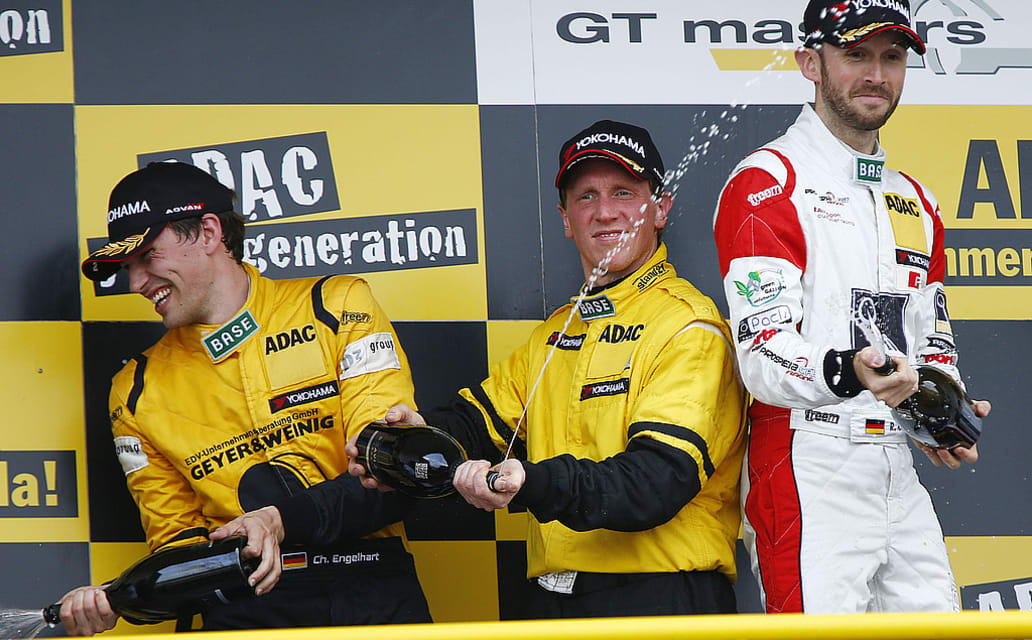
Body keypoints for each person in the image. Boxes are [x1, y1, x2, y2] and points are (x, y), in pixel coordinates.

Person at [352, 120, 748, 617]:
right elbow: (477, 424)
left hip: (660, 597)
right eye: (586, 197)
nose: (605, 212)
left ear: (660, 208)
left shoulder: (688, 326)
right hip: (554, 601)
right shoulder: (556, 334)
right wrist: (415, 437)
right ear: (565, 218)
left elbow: (654, 483)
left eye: (624, 192)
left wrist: (529, 482)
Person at [58, 161, 430, 635]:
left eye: (148, 256)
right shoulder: (134, 390)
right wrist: (120, 599)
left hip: (368, 592)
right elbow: (179, 552)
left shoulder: (335, 307)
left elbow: (388, 472)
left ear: (208, 232)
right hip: (242, 608)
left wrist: (278, 521)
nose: (135, 284)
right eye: (128, 267)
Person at [712, 0, 992, 614]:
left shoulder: (915, 200)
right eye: (856, 54)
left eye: (892, 57)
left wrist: (940, 414)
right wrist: (851, 369)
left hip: (894, 458)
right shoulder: (769, 182)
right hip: (805, 457)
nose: (876, 74)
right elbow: (762, 354)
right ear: (809, 63)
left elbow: (932, 343)